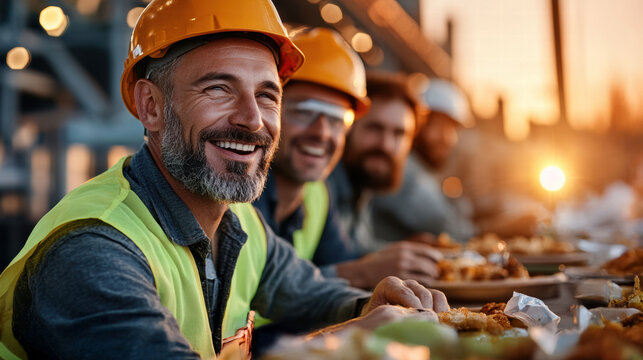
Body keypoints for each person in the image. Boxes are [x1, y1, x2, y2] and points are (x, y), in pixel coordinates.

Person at [0, 1, 449, 359]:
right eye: (218, 88)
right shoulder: (93, 251)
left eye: (267, 96)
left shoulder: (241, 224)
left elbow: (312, 295)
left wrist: (372, 306)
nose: (252, 120)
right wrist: (345, 341)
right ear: (151, 106)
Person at [327, 72, 444, 289]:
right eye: (375, 128)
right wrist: (365, 271)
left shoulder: (362, 185)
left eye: (399, 134)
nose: (386, 145)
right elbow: (293, 278)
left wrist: (399, 251)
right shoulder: (321, 183)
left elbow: (352, 250)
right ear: (348, 126)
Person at [370, 78, 477, 244]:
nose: (446, 138)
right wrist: (506, 226)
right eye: (438, 126)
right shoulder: (404, 170)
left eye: (451, 129)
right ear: (416, 125)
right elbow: (451, 230)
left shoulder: (423, 172)